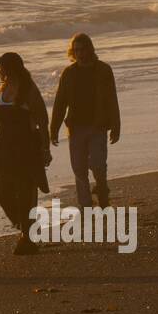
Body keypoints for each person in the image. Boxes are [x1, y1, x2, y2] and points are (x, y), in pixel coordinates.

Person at [0, 51, 51, 255]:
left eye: (0, 66)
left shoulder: (28, 89)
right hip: (3, 151)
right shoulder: (1, 90)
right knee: (1, 194)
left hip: (25, 149)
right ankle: (25, 227)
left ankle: (27, 237)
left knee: (25, 194)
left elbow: (42, 120)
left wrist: (45, 148)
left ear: (10, 68)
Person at [50, 33, 120, 210]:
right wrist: (53, 128)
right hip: (76, 127)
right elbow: (60, 103)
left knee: (97, 164)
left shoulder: (104, 70)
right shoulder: (69, 73)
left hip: (98, 125)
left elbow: (112, 99)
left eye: (82, 49)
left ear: (90, 49)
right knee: (79, 169)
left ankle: (102, 191)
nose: (80, 53)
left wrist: (116, 126)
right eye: (76, 50)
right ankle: (85, 205)